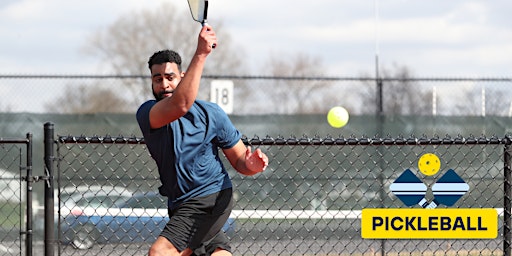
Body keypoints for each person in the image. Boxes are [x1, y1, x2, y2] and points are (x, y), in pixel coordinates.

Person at [136, 25, 269, 256]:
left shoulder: (212, 114)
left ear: (183, 77)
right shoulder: (148, 113)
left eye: (170, 77)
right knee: (216, 252)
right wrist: (201, 53)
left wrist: (251, 166)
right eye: (158, 79)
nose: (164, 84)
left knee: (161, 252)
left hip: (211, 195)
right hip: (180, 203)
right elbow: (180, 104)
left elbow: (239, 161)